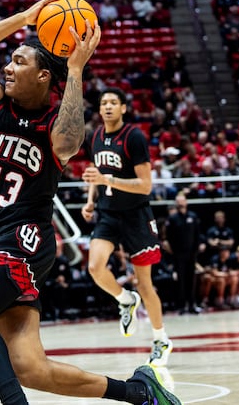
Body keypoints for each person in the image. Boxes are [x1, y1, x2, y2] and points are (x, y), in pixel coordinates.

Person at [0, 0, 180, 405]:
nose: (7, 67)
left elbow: (70, 143)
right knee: (30, 368)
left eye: (19, 62)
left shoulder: (55, 121)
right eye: (10, 60)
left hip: (23, 239)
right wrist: (22, 18)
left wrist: (75, 70)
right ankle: (139, 392)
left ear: (43, 77)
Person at [81, 87, 174, 366]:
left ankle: (161, 339)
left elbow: (145, 185)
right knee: (95, 267)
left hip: (136, 216)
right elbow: (96, 173)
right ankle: (125, 300)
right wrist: (90, 200)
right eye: (104, 103)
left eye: (113, 102)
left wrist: (107, 181)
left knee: (145, 284)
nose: (108, 107)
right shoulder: (95, 137)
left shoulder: (133, 137)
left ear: (123, 108)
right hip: (108, 213)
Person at [163, 193, 203, 315]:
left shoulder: (193, 216)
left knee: (191, 279)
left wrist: (196, 249)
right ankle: (181, 306)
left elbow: (197, 234)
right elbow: (168, 237)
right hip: (178, 254)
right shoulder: (172, 219)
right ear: (176, 203)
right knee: (180, 280)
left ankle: (192, 305)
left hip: (191, 254)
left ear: (186, 202)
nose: (180, 204)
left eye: (182, 201)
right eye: (178, 201)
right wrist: (173, 252)